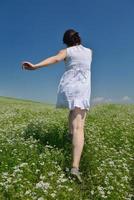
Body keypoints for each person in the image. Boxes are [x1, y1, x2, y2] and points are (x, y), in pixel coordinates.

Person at [21, 29, 93, 183]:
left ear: (66, 41)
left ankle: (70, 135)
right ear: (79, 38)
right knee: (79, 127)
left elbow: (55, 59)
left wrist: (35, 66)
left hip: (69, 87)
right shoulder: (90, 52)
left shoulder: (66, 51)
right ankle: (75, 167)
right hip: (81, 89)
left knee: (73, 114)